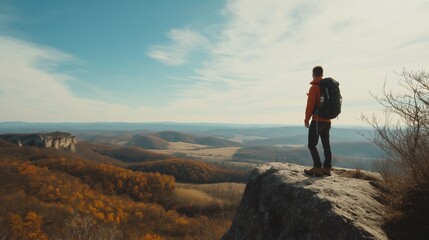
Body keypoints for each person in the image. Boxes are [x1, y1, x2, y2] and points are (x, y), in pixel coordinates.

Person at [304, 66, 332, 177]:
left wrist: (307, 118)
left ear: (313, 74)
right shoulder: (328, 87)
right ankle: (327, 168)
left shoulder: (314, 88)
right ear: (322, 73)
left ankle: (317, 167)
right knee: (326, 144)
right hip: (328, 121)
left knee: (312, 144)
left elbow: (310, 105)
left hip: (317, 121)